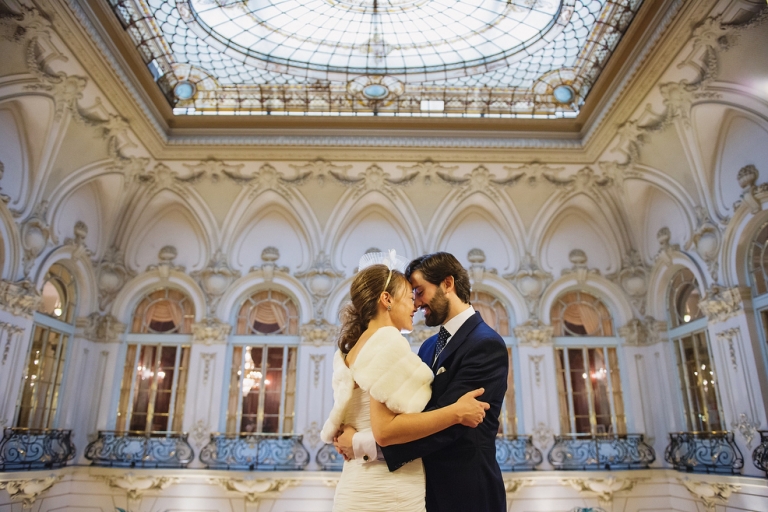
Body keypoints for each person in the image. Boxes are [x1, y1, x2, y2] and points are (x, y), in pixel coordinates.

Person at [335, 252, 509, 512]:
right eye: (412, 294)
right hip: (422, 491)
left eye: (419, 291)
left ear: (448, 284)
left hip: (466, 494)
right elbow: (418, 414)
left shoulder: (486, 344)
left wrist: (362, 444)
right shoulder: (427, 347)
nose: (416, 302)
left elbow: (454, 426)